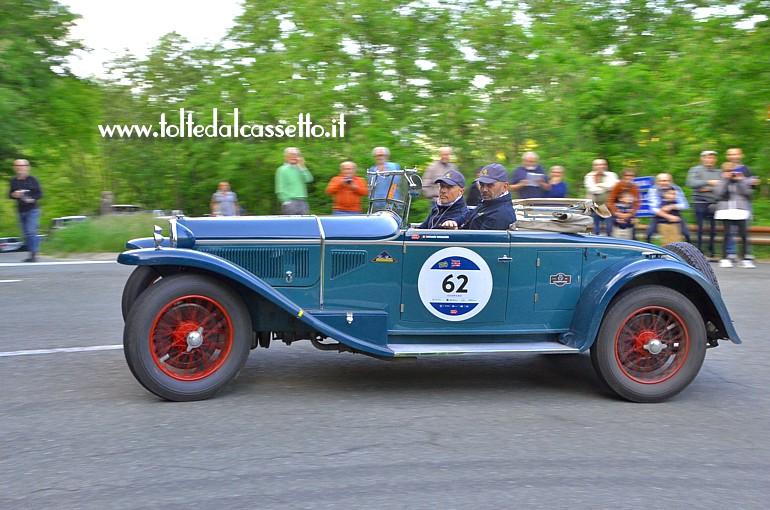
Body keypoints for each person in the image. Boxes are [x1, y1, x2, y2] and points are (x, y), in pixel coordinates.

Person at [441, 164, 516, 230]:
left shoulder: (500, 214)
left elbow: (480, 241)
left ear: (504, 187)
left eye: (490, 185)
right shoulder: (489, 203)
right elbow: (469, 215)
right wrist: (454, 222)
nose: (484, 189)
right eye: (482, 185)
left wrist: (456, 234)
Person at [714, 162, 754, 268]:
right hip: (726, 210)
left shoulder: (742, 180)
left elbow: (748, 193)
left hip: (740, 210)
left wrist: (740, 180)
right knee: (726, 235)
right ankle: (724, 258)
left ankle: (745, 258)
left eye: (732, 171)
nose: (730, 173)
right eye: (727, 171)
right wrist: (726, 180)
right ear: (723, 172)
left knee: (744, 235)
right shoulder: (721, 182)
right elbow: (718, 194)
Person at [686, 150, 722, 258]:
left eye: (712, 158)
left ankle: (712, 251)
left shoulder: (719, 172)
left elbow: (722, 186)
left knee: (713, 229)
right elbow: (691, 183)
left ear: (715, 160)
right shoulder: (695, 170)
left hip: (714, 203)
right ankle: (699, 252)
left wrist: (706, 188)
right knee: (700, 228)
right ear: (702, 158)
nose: (709, 160)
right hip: (699, 202)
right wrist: (709, 182)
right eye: (707, 157)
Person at [8, 159, 43, 262]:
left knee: (31, 231)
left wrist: (32, 199)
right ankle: (32, 253)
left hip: (32, 209)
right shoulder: (13, 181)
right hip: (21, 209)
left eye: (22, 165)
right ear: (14, 167)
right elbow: (10, 195)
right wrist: (15, 195)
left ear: (28, 167)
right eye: (17, 165)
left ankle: (33, 254)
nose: (20, 167)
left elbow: (39, 194)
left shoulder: (33, 180)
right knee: (26, 233)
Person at [645, 173, 690, 244]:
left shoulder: (676, 189)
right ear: (658, 181)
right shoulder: (653, 190)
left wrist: (671, 207)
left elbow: (684, 205)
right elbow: (653, 208)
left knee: (686, 234)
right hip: (659, 216)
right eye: (661, 181)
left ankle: (689, 250)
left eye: (666, 181)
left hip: (675, 213)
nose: (664, 183)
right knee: (649, 234)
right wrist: (668, 216)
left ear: (670, 181)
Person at [583, 159, 618, 235]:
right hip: (596, 206)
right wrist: (606, 187)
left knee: (609, 229)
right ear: (594, 166)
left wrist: (599, 185)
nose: (600, 166)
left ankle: (610, 244)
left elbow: (614, 186)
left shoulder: (612, 175)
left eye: (602, 164)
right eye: (598, 165)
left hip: (609, 206)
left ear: (606, 166)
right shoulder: (589, 176)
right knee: (596, 229)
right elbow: (592, 189)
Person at [275, 147, 313, 215]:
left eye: (295, 155)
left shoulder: (300, 169)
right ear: (286, 157)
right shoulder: (282, 170)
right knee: (291, 224)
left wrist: (302, 167)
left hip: (303, 201)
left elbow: (309, 179)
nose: (293, 157)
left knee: (304, 224)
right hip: (290, 202)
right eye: (291, 155)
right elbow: (280, 189)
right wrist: (286, 201)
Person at [607, 168, 640, 238]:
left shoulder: (634, 187)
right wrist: (617, 213)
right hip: (616, 211)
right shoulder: (618, 186)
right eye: (627, 175)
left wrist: (630, 214)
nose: (629, 177)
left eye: (631, 176)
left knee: (633, 232)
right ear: (623, 176)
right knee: (609, 230)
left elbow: (637, 203)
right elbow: (610, 201)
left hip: (628, 211)